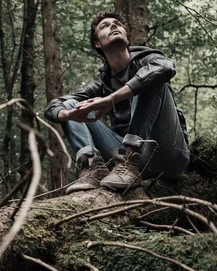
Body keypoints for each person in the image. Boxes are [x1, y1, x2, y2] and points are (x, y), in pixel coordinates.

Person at [44, 10, 190, 194]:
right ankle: (93, 167)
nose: (113, 26)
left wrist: (111, 99)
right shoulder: (101, 83)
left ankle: (131, 158)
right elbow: (54, 105)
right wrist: (70, 115)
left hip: (167, 153)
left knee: (151, 79)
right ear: (98, 43)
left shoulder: (146, 59)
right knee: (71, 105)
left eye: (117, 24)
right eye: (105, 26)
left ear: (127, 38)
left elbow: (166, 67)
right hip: (121, 162)